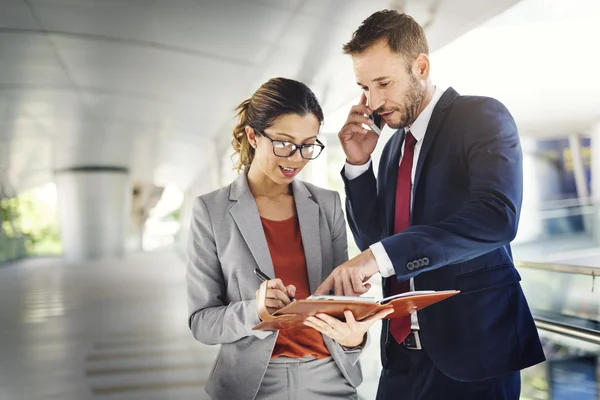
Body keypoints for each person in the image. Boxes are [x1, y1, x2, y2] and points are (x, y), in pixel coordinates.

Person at [314, 10, 546, 400]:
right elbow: (379, 241)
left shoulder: (480, 116)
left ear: (420, 66)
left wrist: (376, 257)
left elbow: (497, 217)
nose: (373, 101)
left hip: (473, 355)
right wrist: (358, 164)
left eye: (383, 83)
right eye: (365, 87)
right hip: (402, 359)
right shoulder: (390, 151)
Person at [186, 77, 391, 400]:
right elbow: (202, 322)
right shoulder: (211, 211)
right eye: (284, 143)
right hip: (253, 385)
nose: (296, 158)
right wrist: (255, 310)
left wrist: (354, 338)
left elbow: (337, 304)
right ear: (253, 136)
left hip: (332, 377)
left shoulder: (326, 204)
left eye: (308, 145)